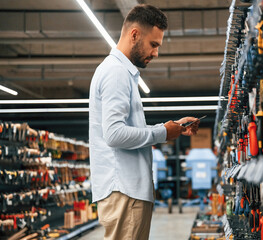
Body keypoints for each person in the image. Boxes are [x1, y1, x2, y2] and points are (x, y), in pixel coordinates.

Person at [89, 4, 199, 240]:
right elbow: (114, 134)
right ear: (135, 34)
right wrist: (161, 134)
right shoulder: (116, 72)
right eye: (154, 44)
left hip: (127, 192)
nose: (156, 53)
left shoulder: (121, 73)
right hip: (124, 191)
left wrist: (171, 128)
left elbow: (126, 130)